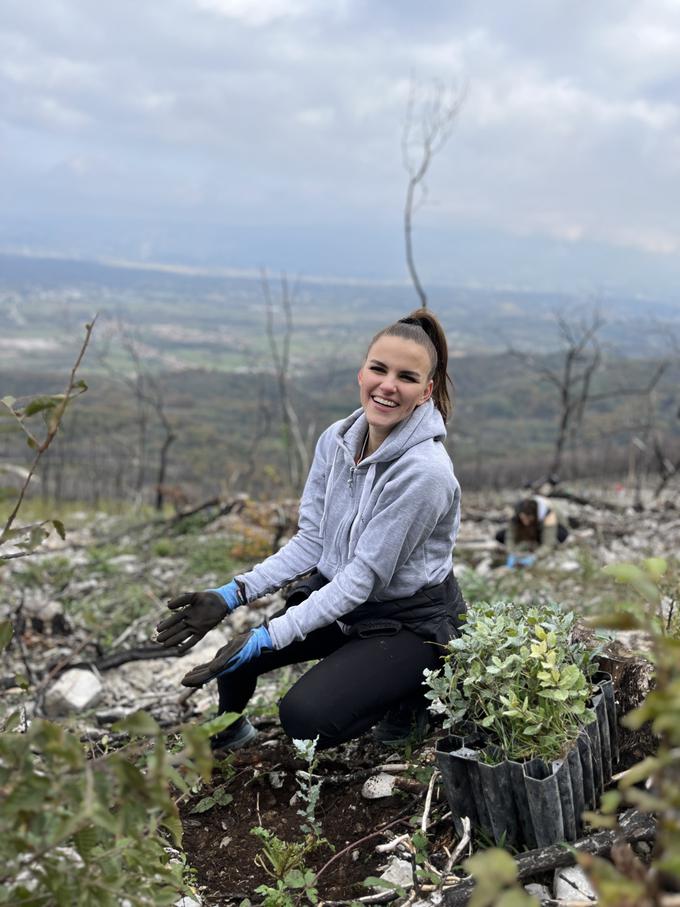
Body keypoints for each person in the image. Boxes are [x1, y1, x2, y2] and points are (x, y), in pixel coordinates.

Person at [155, 308, 465, 751]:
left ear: (426, 391)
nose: (388, 385)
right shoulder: (336, 440)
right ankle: (228, 732)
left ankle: (410, 697)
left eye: (406, 377)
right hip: (347, 603)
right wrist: (232, 594)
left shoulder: (425, 473)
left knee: (304, 717)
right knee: (236, 660)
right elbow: (313, 540)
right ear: (362, 372)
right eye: (378, 369)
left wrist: (268, 636)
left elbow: (362, 579)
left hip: (411, 621)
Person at [495, 494, 569, 566]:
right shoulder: (518, 512)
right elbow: (510, 536)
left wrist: (535, 557)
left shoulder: (547, 514)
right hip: (530, 530)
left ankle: (535, 543)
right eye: (523, 518)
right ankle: (528, 542)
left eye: (528, 518)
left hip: (550, 528)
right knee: (501, 535)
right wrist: (510, 552)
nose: (525, 521)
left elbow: (548, 544)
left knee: (560, 535)